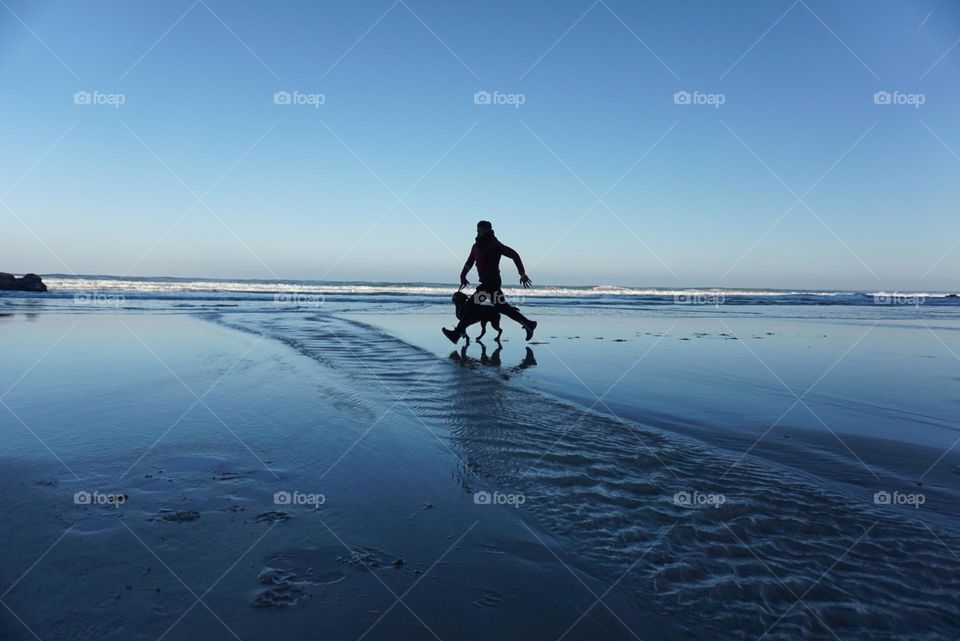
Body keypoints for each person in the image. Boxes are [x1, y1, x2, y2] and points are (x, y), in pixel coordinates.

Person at [442, 220, 537, 343]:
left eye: (480, 231)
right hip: (488, 283)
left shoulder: (494, 244)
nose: (478, 234)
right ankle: (529, 324)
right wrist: (463, 275)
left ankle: (456, 334)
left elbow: (514, 254)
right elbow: (469, 262)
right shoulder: (476, 246)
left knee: (471, 305)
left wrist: (522, 273)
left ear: (488, 230)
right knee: (504, 308)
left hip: (491, 283)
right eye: (477, 231)